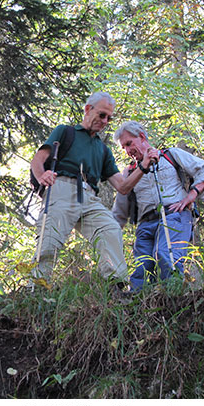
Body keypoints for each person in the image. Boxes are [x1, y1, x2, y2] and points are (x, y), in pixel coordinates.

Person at [30, 92, 158, 288]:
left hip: (89, 197)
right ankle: (35, 290)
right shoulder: (65, 132)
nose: (105, 121)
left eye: (109, 118)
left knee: (110, 229)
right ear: (88, 109)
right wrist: (42, 176)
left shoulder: (103, 150)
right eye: (102, 115)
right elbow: (38, 160)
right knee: (49, 241)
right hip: (61, 188)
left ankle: (116, 285)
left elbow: (123, 186)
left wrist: (143, 167)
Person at [112, 121, 204, 291]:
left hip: (174, 215)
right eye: (123, 147)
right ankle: (140, 308)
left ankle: (174, 301)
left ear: (141, 136)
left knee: (166, 255)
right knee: (141, 268)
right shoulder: (130, 172)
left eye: (129, 143)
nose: (127, 150)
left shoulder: (171, 155)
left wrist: (191, 196)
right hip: (145, 224)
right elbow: (119, 211)